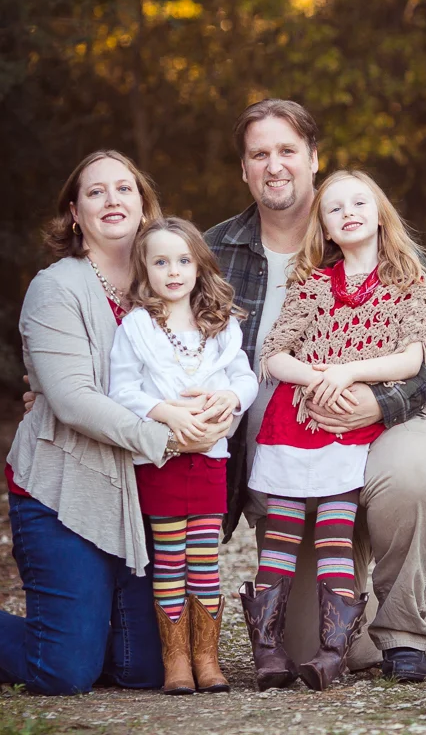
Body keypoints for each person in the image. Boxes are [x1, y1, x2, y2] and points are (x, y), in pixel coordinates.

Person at [206, 99, 426, 684]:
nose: (274, 165)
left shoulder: (372, 235)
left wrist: (379, 400)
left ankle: (408, 624)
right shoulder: (215, 255)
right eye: (260, 154)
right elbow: (157, 330)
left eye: (288, 151)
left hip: (390, 426)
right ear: (244, 169)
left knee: (409, 476)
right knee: (330, 647)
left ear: (312, 158)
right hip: (291, 459)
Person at [0, 150, 233, 695]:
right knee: (65, 672)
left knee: (144, 670)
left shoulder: (174, 281)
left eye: (124, 189)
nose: (111, 200)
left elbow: (221, 360)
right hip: (66, 491)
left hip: (144, 492)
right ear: (74, 214)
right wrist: (165, 437)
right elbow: (73, 399)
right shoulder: (56, 288)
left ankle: (82, 627)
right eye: (95, 192)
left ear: (144, 204)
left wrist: (222, 405)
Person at [246, 170, 426, 690]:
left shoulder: (408, 280)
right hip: (301, 427)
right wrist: (317, 377)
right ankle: (279, 646)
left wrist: (350, 373)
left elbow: (415, 355)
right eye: (334, 209)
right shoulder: (312, 285)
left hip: (366, 427)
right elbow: (274, 353)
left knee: (339, 528)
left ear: (382, 213)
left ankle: (380, 633)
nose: (349, 213)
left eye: (360, 202)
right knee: (283, 535)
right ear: (324, 227)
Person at [108, 216, 257, 694]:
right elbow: (122, 389)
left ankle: (207, 659)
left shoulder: (220, 324)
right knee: (170, 558)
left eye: (183, 260)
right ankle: (176, 663)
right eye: (160, 261)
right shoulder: (136, 327)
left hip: (210, 458)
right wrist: (168, 413)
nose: (173, 271)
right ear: (145, 269)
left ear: (199, 264)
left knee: (206, 558)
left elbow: (245, 378)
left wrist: (230, 400)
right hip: (162, 460)